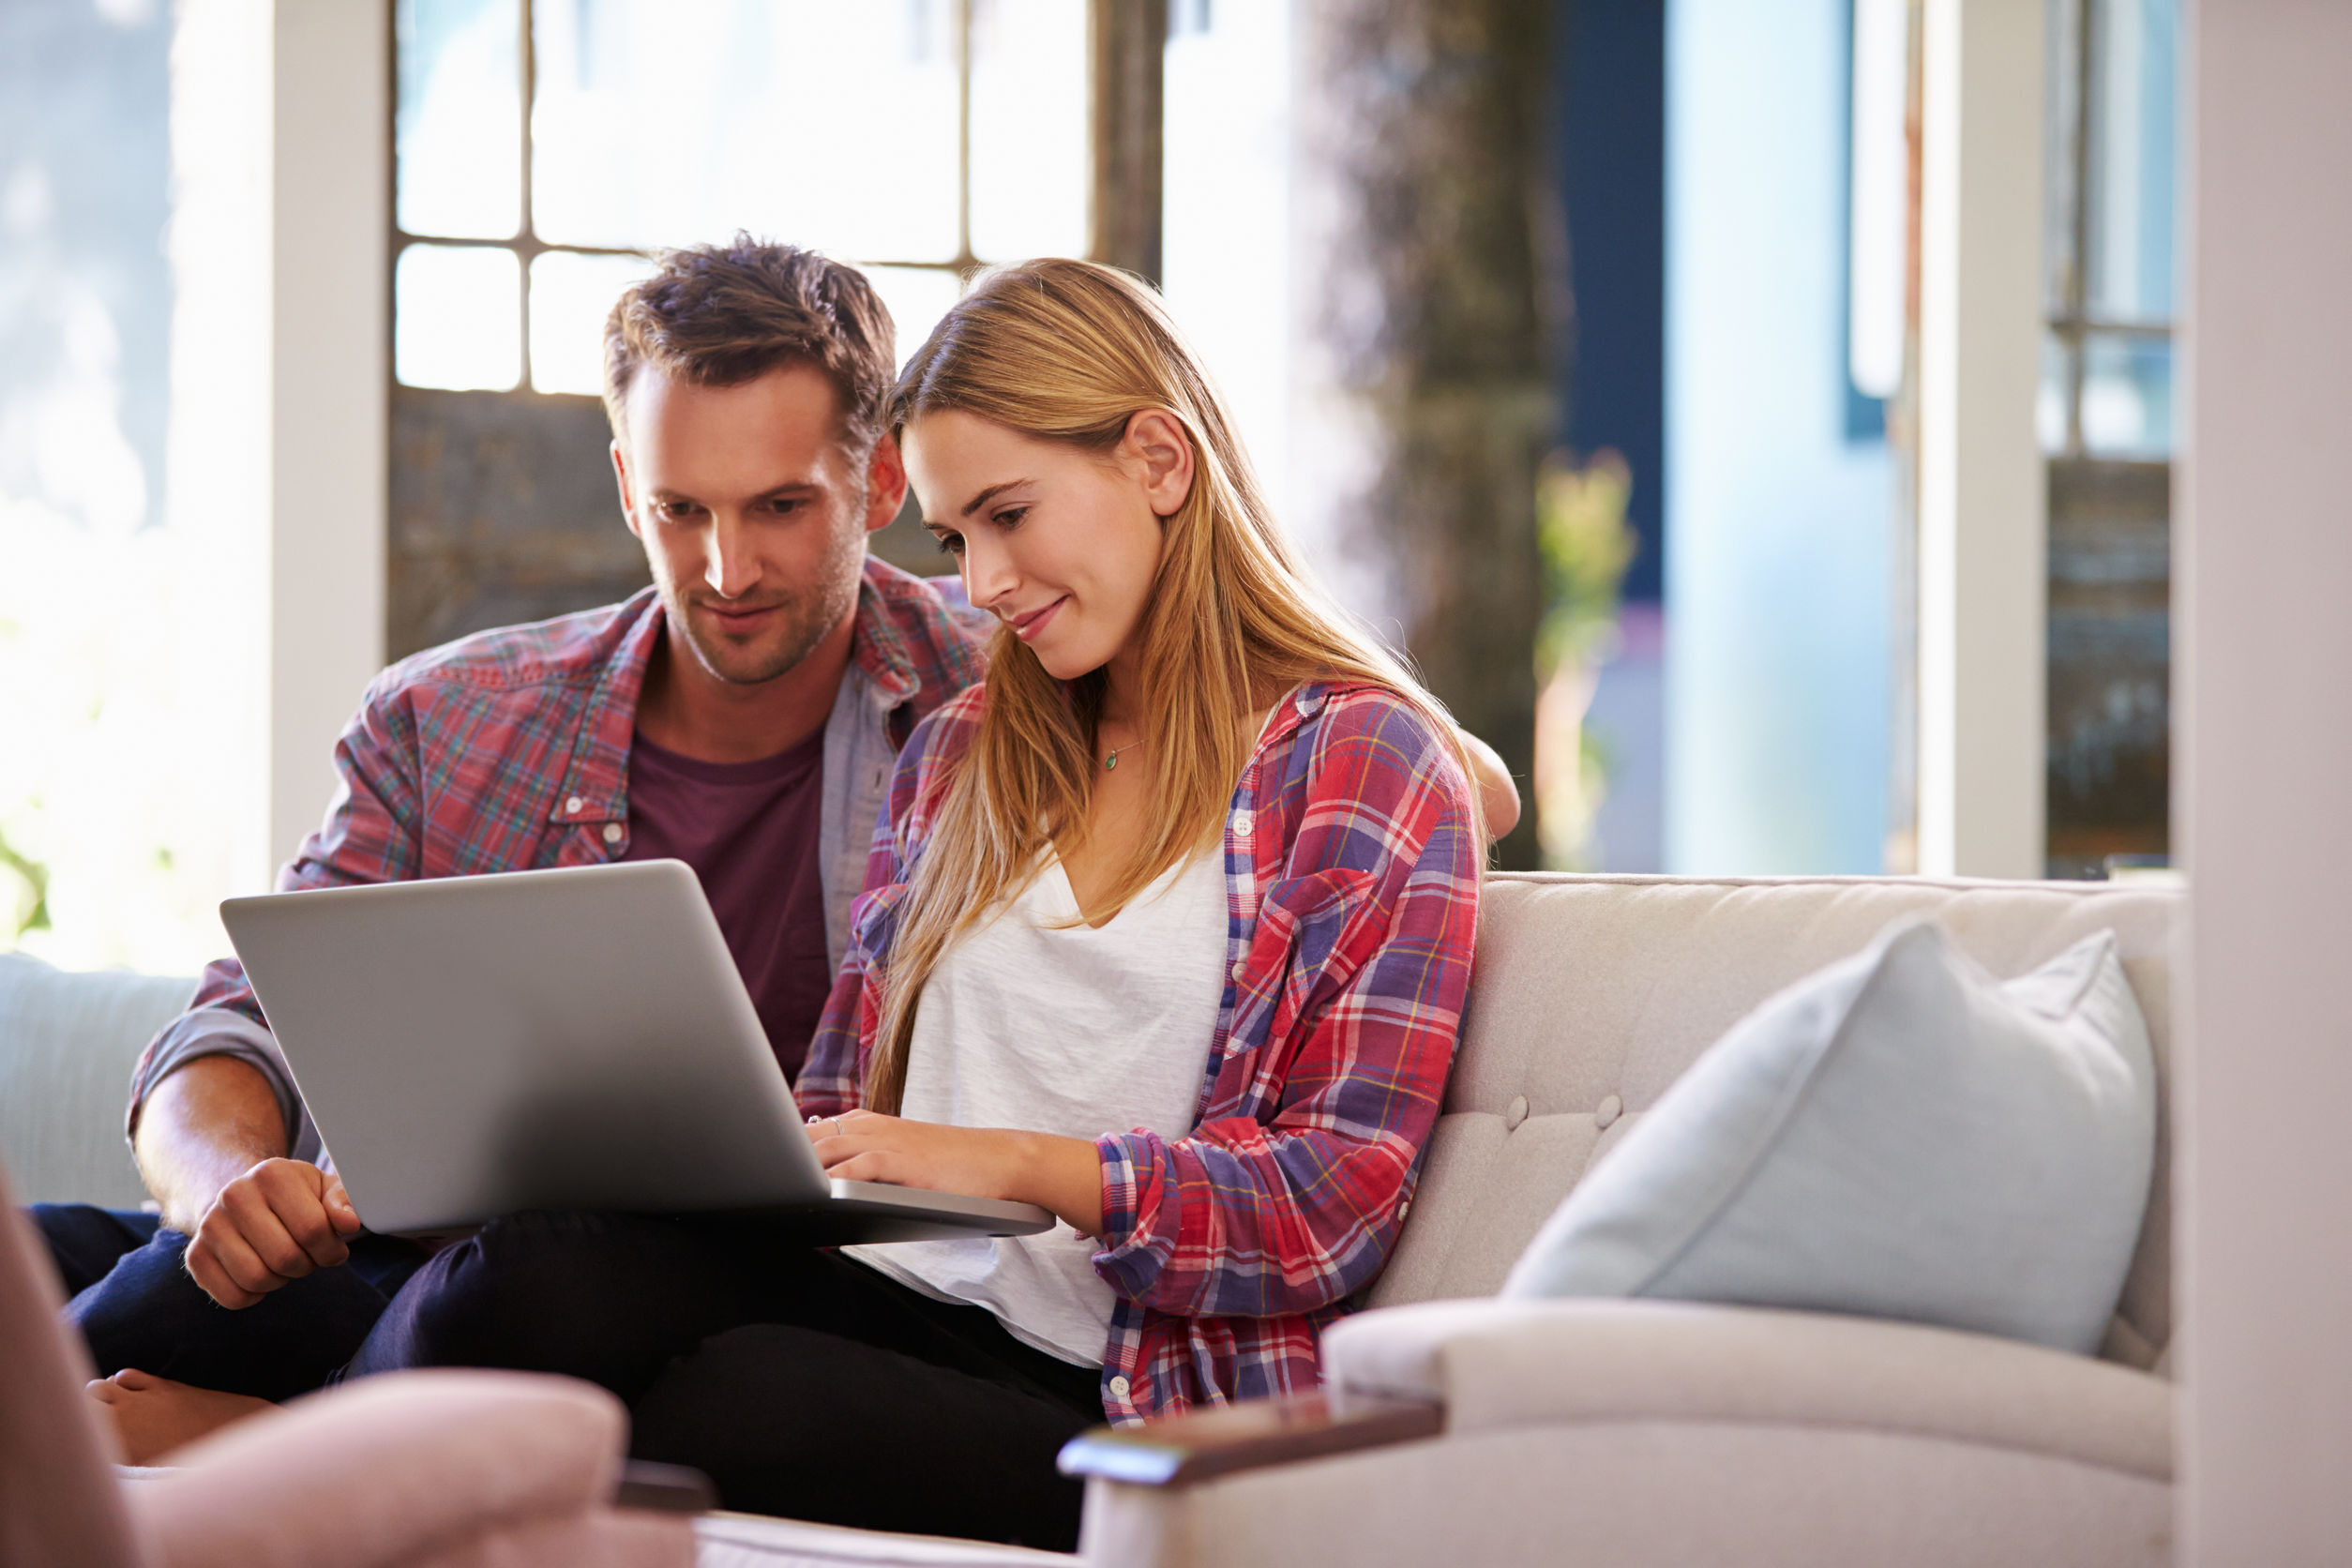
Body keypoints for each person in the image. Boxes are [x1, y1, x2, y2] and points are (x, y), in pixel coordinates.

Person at [341, 259, 1485, 1550]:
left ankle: (285, 1463)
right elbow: (845, 1102)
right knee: (522, 1281)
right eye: (953, 539)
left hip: (1108, 1384)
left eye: (1007, 515)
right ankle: (277, 1481)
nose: (983, 583)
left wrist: (1008, 1165)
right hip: (878, 1286)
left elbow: (1324, 1204)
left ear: (1162, 462)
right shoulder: (966, 747)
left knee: (724, 1409)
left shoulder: (1359, 764)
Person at [33, 238, 993, 1459]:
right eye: (679, 508)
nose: (725, 568)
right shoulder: (451, 720)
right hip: (397, 1255)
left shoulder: (998, 705)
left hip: (687, 1293)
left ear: (883, 479)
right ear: (623, 480)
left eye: (781, 507)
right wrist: (223, 1188)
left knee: (541, 1274)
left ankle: (268, 1442)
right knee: (89, 1262)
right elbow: (237, 1029)